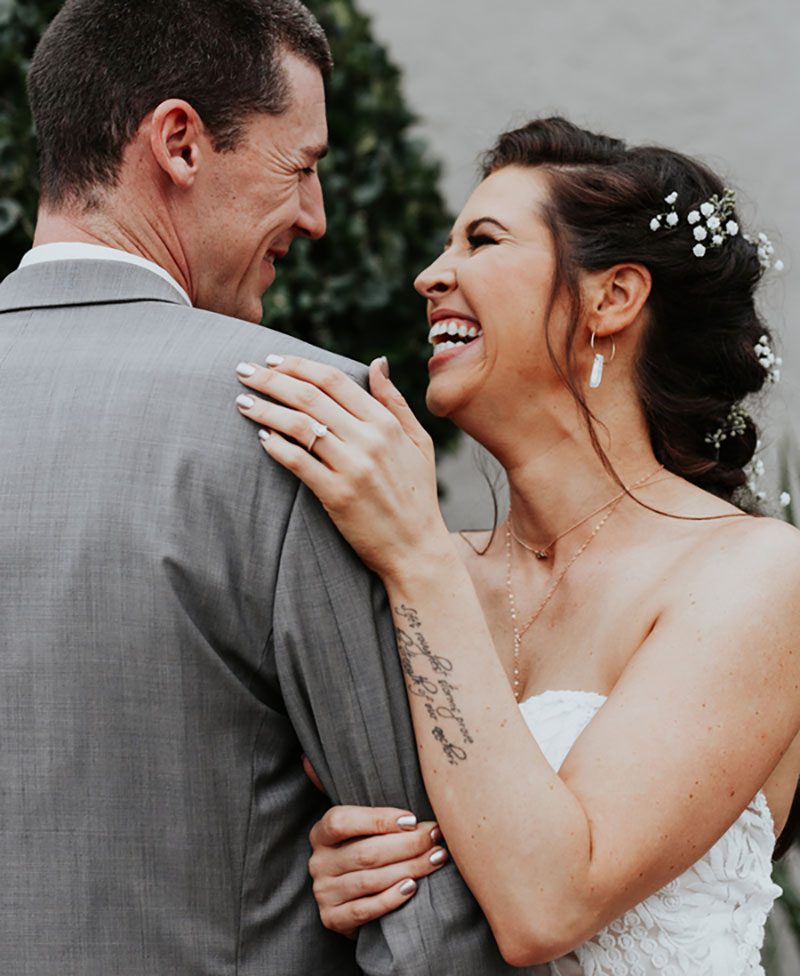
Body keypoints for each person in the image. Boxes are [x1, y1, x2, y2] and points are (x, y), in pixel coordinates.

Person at [0, 2, 541, 974]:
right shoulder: (298, 414)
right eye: (300, 166)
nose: (317, 214)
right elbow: (415, 880)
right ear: (179, 142)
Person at [236, 117, 800, 974]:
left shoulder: (753, 576)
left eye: (483, 239)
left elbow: (549, 904)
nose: (431, 275)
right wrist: (338, 869)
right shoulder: (413, 559)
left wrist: (418, 556)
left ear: (612, 299)